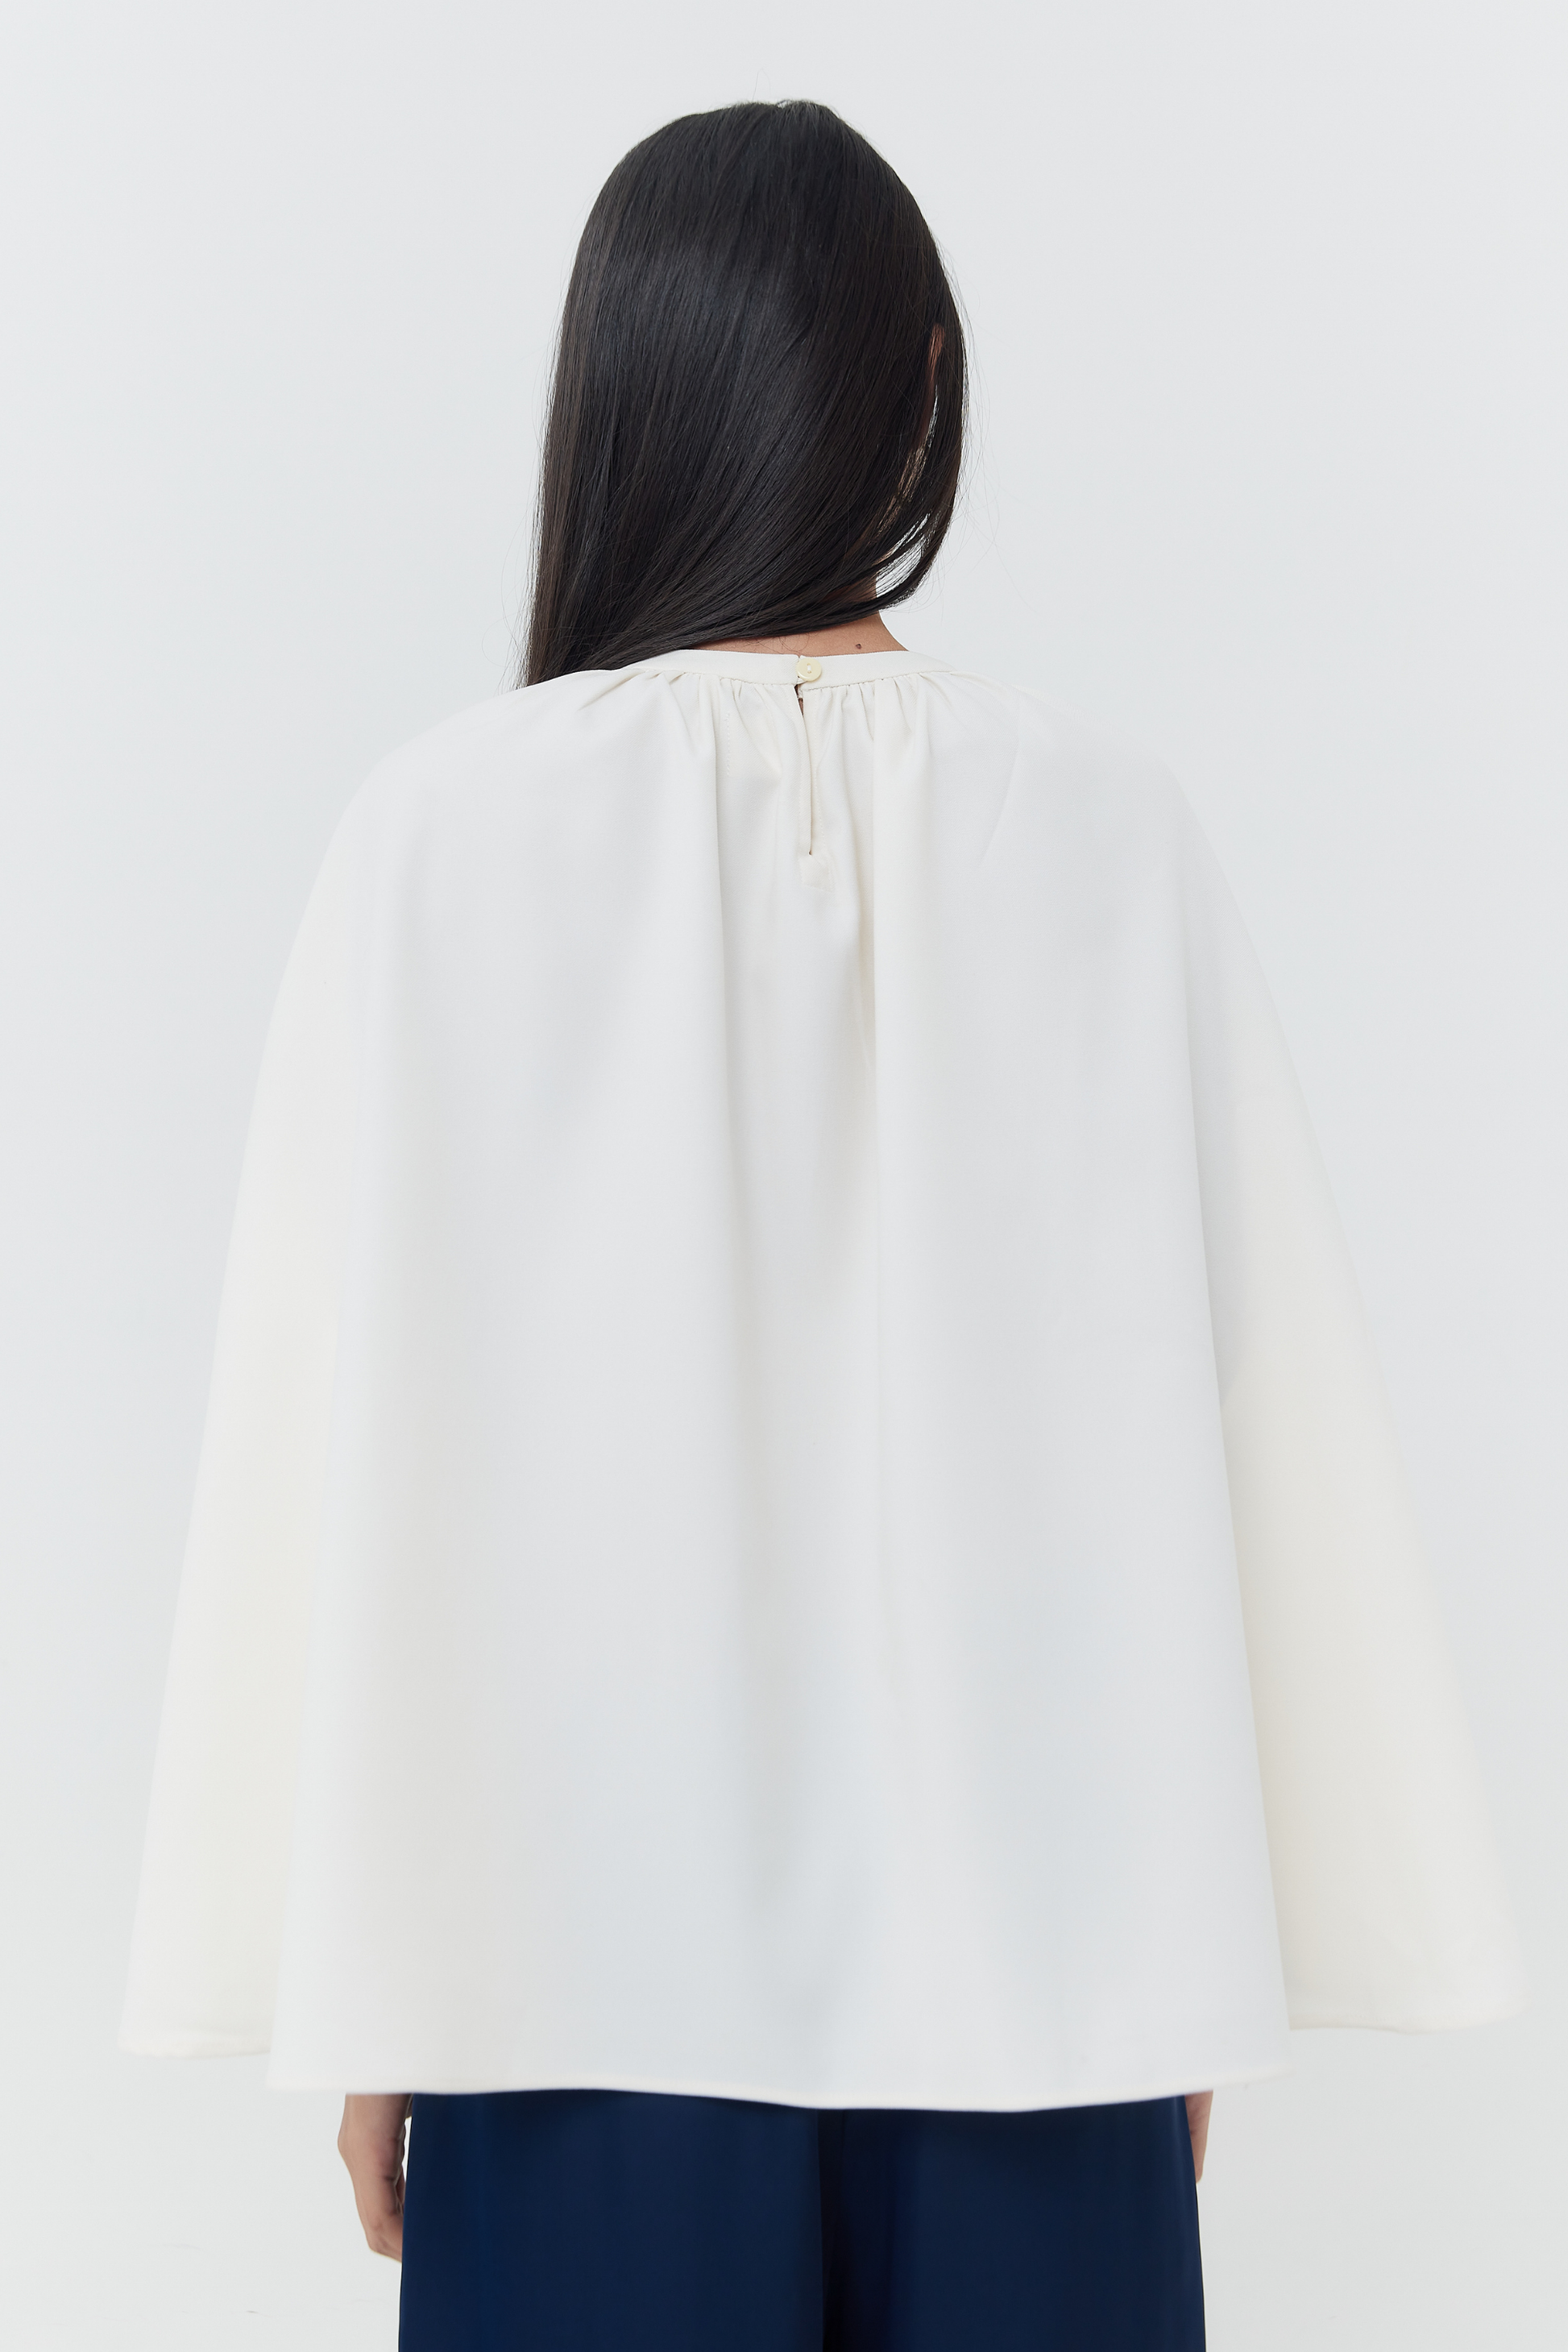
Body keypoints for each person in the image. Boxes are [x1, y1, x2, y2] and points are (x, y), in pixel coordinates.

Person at [122, 99, 1522, 2350]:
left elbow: (354, 1446)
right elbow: (1241, 1419)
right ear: (926, 387)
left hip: (569, 1993)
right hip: (1034, 1988)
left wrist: (370, 1979)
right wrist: (1166, 1956)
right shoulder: (1105, 830)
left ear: (605, 403)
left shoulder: (441, 837)